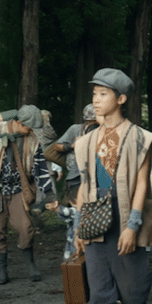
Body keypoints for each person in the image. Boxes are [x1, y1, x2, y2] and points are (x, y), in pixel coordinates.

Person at [72, 68, 152, 304]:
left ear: (120, 99)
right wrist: (78, 228)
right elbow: (84, 185)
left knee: (133, 289)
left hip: (124, 216)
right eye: (94, 94)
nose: (96, 100)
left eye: (103, 94)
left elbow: (143, 184)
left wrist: (133, 226)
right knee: (99, 293)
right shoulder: (87, 139)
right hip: (95, 218)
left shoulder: (140, 138)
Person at [0, 105, 55, 284]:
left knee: (25, 228)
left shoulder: (31, 139)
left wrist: (50, 194)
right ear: (17, 122)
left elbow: (40, 167)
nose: (31, 131)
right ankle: (2, 270)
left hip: (18, 189)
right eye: (27, 127)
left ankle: (31, 263)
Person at [49, 104, 99, 259]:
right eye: (90, 122)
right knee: (77, 215)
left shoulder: (105, 131)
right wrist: (72, 145)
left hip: (97, 177)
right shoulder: (75, 129)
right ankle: (75, 252)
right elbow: (56, 146)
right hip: (75, 178)